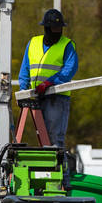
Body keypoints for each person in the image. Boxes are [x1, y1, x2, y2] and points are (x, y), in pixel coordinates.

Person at [17, 8, 78, 149]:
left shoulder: (67, 45)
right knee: (42, 137)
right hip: (37, 96)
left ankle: (58, 169)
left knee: (54, 138)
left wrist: (50, 82)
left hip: (57, 96)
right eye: (54, 29)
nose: (57, 32)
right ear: (46, 28)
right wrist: (23, 89)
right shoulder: (33, 43)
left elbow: (70, 70)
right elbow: (25, 68)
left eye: (59, 28)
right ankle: (46, 168)